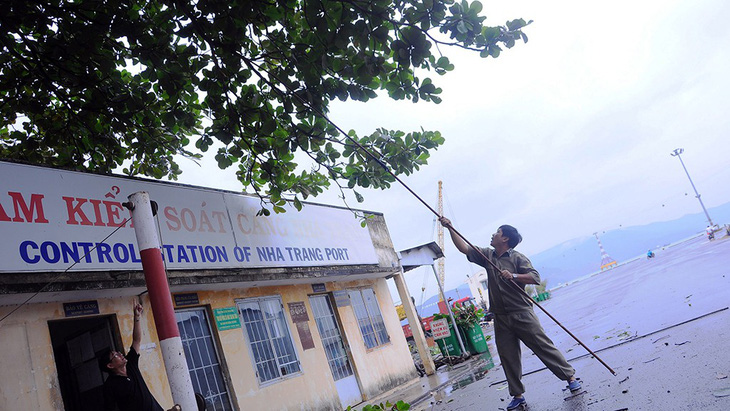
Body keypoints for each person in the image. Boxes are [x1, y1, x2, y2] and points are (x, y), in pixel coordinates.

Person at [439, 218, 581, 410]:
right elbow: (464, 248)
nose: (493, 235)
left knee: (543, 346)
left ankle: (570, 378)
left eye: (496, 232)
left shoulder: (517, 258)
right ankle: (518, 396)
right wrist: (449, 228)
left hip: (521, 313)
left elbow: (535, 277)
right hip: (500, 317)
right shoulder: (488, 255)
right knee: (508, 357)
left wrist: (513, 275)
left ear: (504, 238)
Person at [99, 301, 178, 411]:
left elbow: (136, 340)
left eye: (118, 352)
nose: (120, 354)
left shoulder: (131, 364)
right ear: (110, 365)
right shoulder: (110, 386)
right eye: (115, 355)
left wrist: (137, 317)